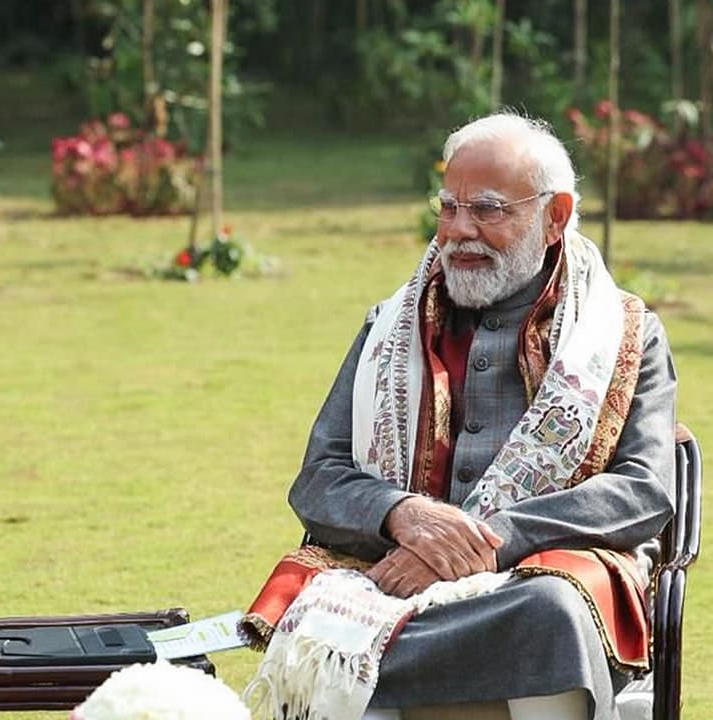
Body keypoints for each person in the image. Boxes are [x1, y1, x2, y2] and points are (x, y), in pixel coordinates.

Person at [240, 113, 676, 720]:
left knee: (551, 612)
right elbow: (320, 477)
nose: (458, 230)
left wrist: (488, 543)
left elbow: (643, 490)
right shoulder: (388, 329)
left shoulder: (624, 333)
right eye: (448, 207)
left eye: (487, 209)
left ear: (554, 216)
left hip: (536, 581)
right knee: (326, 618)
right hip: (393, 574)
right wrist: (404, 515)